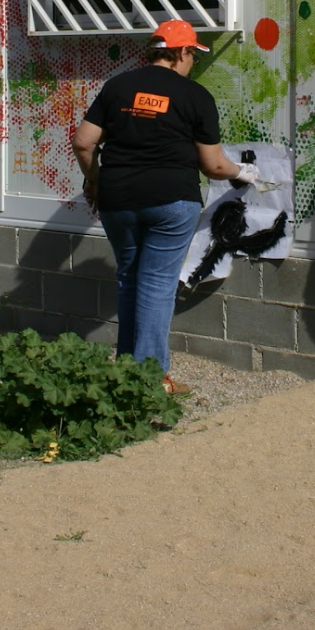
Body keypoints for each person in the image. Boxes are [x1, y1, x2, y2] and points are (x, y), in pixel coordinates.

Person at [71, 20, 258, 394]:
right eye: (193, 56)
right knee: (156, 285)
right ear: (182, 52)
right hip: (171, 201)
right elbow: (213, 165)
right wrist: (244, 173)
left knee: (130, 277)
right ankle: (150, 380)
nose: (192, 63)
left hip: (117, 200)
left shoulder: (118, 86)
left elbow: (83, 143)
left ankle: (128, 371)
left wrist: (94, 181)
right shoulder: (195, 96)